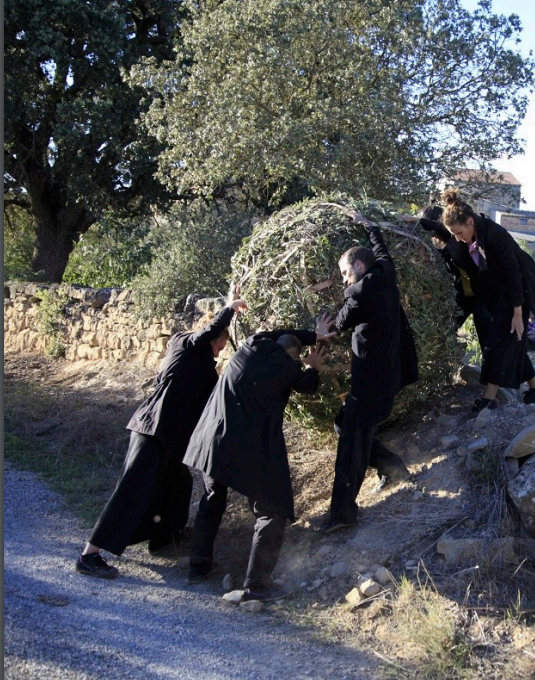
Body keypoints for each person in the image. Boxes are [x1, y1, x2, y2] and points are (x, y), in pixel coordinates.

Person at [75, 288, 247, 579]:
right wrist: (229, 308)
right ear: (215, 338)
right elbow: (205, 333)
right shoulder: (183, 343)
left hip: (172, 439)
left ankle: (163, 537)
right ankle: (89, 555)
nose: (220, 352)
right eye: (221, 346)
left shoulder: (206, 368)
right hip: (151, 430)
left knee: (176, 486)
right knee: (131, 489)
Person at [184, 320, 334, 599]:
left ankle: (198, 565)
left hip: (210, 436)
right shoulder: (289, 367)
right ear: (294, 356)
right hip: (245, 448)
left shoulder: (251, 343)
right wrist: (311, 366)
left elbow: (278, 336)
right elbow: (309, 386)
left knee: (212, 496)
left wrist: (313, 334)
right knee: (272, 509)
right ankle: (258, 584)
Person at [322, 213, 419, 534]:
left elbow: (338, 324)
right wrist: (370, 225)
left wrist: (320, 330)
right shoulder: (386, 274)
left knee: (350, 450)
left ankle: (342, 515)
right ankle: (393, 467)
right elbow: (382, 252)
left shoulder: (358, 293)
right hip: (388, 381)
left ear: (359, 267)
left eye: (345, 272)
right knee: (345, 427)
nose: (344, 280)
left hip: (368, 387)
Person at [438, 188, 535, 412]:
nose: (457, 238)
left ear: (470, 222)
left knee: (497, 342)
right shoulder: (472, 233)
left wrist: (518, 314)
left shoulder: (494, 235)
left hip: (518, 292)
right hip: (499, 292)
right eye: (453, 234)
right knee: (512, 341)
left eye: (459, 232)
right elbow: (437, 229)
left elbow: (514, 274)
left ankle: (489, 398)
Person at [418, 205, 491, 342]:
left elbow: (433, 229)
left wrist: (410, 221)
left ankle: (497, 361)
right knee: (448, 327)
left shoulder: (458, 240)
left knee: (484, 327)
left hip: (482, 293)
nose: (433, 238)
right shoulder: (449, 245)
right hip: (466, 294)